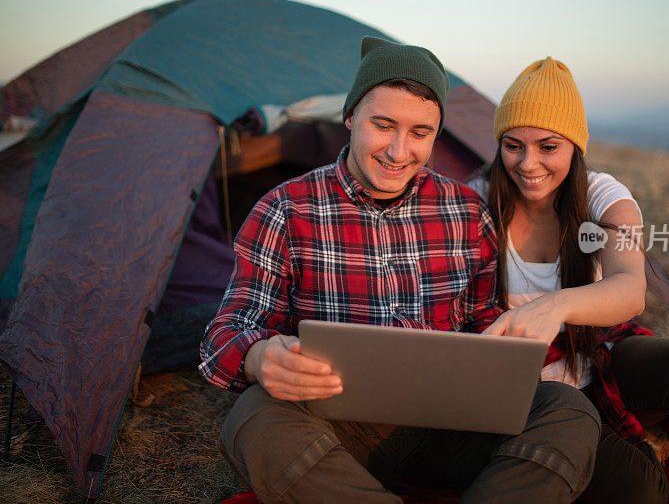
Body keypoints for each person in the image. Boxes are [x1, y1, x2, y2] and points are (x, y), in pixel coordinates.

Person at [200, 38, 601, 503]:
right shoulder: (285, 208)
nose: (397, 151)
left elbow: (480, 322)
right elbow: (224, 334)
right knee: (253, 419)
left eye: (420, 133)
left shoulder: (466, 210)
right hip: (335, 428)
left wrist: (506, 348)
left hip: (452, 422)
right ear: (350, 117)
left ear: (436, 134)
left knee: (567, 410)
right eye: (383, 125)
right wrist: (257, 357)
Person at [467, 57, 669, 503]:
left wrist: (556, 305)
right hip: (529, 391)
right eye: (513, 145)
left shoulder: (601, 194)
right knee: (638, 486)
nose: (528, 163)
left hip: (597, 356)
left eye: (548, 146)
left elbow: (629, 288)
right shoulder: (475, 202)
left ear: (574, 148)